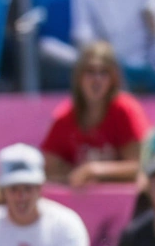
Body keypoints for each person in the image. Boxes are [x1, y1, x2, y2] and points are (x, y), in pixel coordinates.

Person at [40, 42, 149, 186]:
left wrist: (95, 171)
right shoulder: (65, 116)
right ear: (78, 77)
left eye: (103, 72)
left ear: (113, 78)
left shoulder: (125, 111)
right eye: (90, 71)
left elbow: (144, 166)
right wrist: (71, 174)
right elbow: (48, 167)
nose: (96, 79)